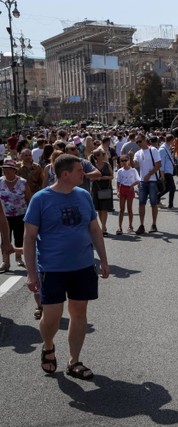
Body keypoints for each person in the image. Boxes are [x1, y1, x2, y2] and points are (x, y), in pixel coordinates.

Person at [24, 154, 109, 380]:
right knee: (51, 316)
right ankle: (49, 345)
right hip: (52, 268)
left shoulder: (83, 196)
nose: (84, 174)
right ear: (65, 174)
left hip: (82, 266)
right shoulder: (41, 199)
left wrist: (104, 259)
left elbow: (94, 229)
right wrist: (31, 274)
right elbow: (29, 237)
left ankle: (74, 361)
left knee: (79, 313)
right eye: (80, 171)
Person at [0, 158, 32, 273]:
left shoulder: (22, 182)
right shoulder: (0, 181)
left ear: (14, 171)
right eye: (4, 170)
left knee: (19, 237)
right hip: (4, 216)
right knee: (5, 238)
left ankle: (18, 258)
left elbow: (29, 199)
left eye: (8, 170)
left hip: (20, 215)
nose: (6, 172)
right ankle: (5, 262)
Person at [132, 133, 161, 234]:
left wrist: (149, 175)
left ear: (145, 140)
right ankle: (141, 225)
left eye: (140, 141)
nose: (138, 143)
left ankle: (154, 224)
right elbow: (134, 165)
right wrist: (131, 158)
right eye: (137, 142)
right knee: (141, 203)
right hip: (142, 182)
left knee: (153, 203)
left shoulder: (153, 150)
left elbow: (158, 165)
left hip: (152, 180)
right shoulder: (138, 153)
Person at [89, 147, 114, 236]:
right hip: (97, 188)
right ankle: (103, 226)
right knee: (99, 209)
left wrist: (104, 177)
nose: (103, 156)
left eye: (104, 154)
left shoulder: (107, 164)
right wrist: (96, 178)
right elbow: (90, 179)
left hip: (106, 187)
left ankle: (103, 227)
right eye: (101, 155)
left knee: (104, 208)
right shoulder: (92, 166)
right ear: (96, 156)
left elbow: (112, 176)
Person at [115, 154, 140, 234]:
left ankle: (130, 226)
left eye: (125, 160)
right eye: (122, 161)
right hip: (122, 188)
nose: (124, 162)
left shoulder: (133, 170)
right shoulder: (120, 171)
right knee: (121, 209)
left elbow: (138, 180)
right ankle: (119, 226)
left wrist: (132, 185)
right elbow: (118, 181)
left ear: (129, 160)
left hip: (130, 189)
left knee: (129, 209)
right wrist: (118, 191)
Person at [159, 135, 176, 209]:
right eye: (173, 141)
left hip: (168, 171)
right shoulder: (162, 149)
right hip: (166, 172)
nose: (174, 142)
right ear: (171, 140)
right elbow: (161, 163)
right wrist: (162, 175)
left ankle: (156, 198)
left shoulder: (167, 148)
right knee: (172, 188)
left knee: (168, 188)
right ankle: (170, 204)